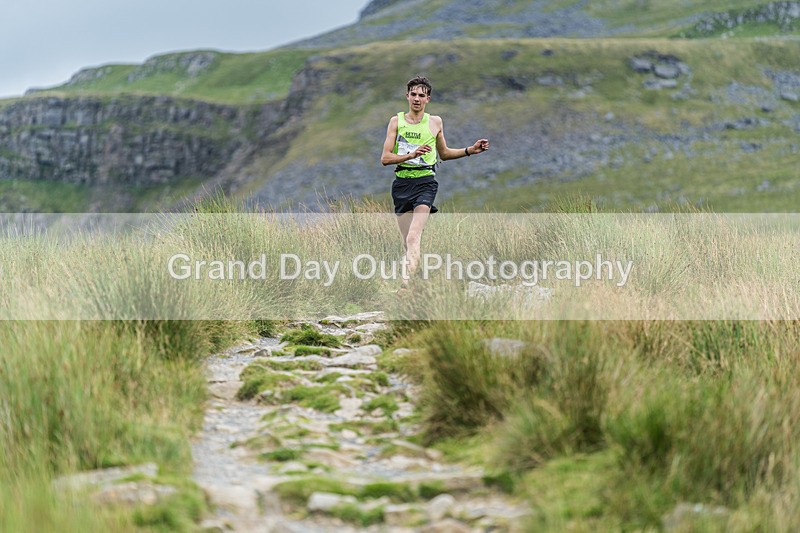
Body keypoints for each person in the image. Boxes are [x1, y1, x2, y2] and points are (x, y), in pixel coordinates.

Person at [380, 75, 489, 290]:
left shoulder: (435, 122)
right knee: (407, 241)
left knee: (413, 237)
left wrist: (470, 150)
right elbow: (385, 158)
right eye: (413, 94)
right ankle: (417, 281)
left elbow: (444, 154)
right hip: (402, 184)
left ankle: (405, 287)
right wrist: (411, 155)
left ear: (428, 99)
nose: (417, 99)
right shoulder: (396, 122)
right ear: (407, 96)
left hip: (425, 183)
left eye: (422, 95)